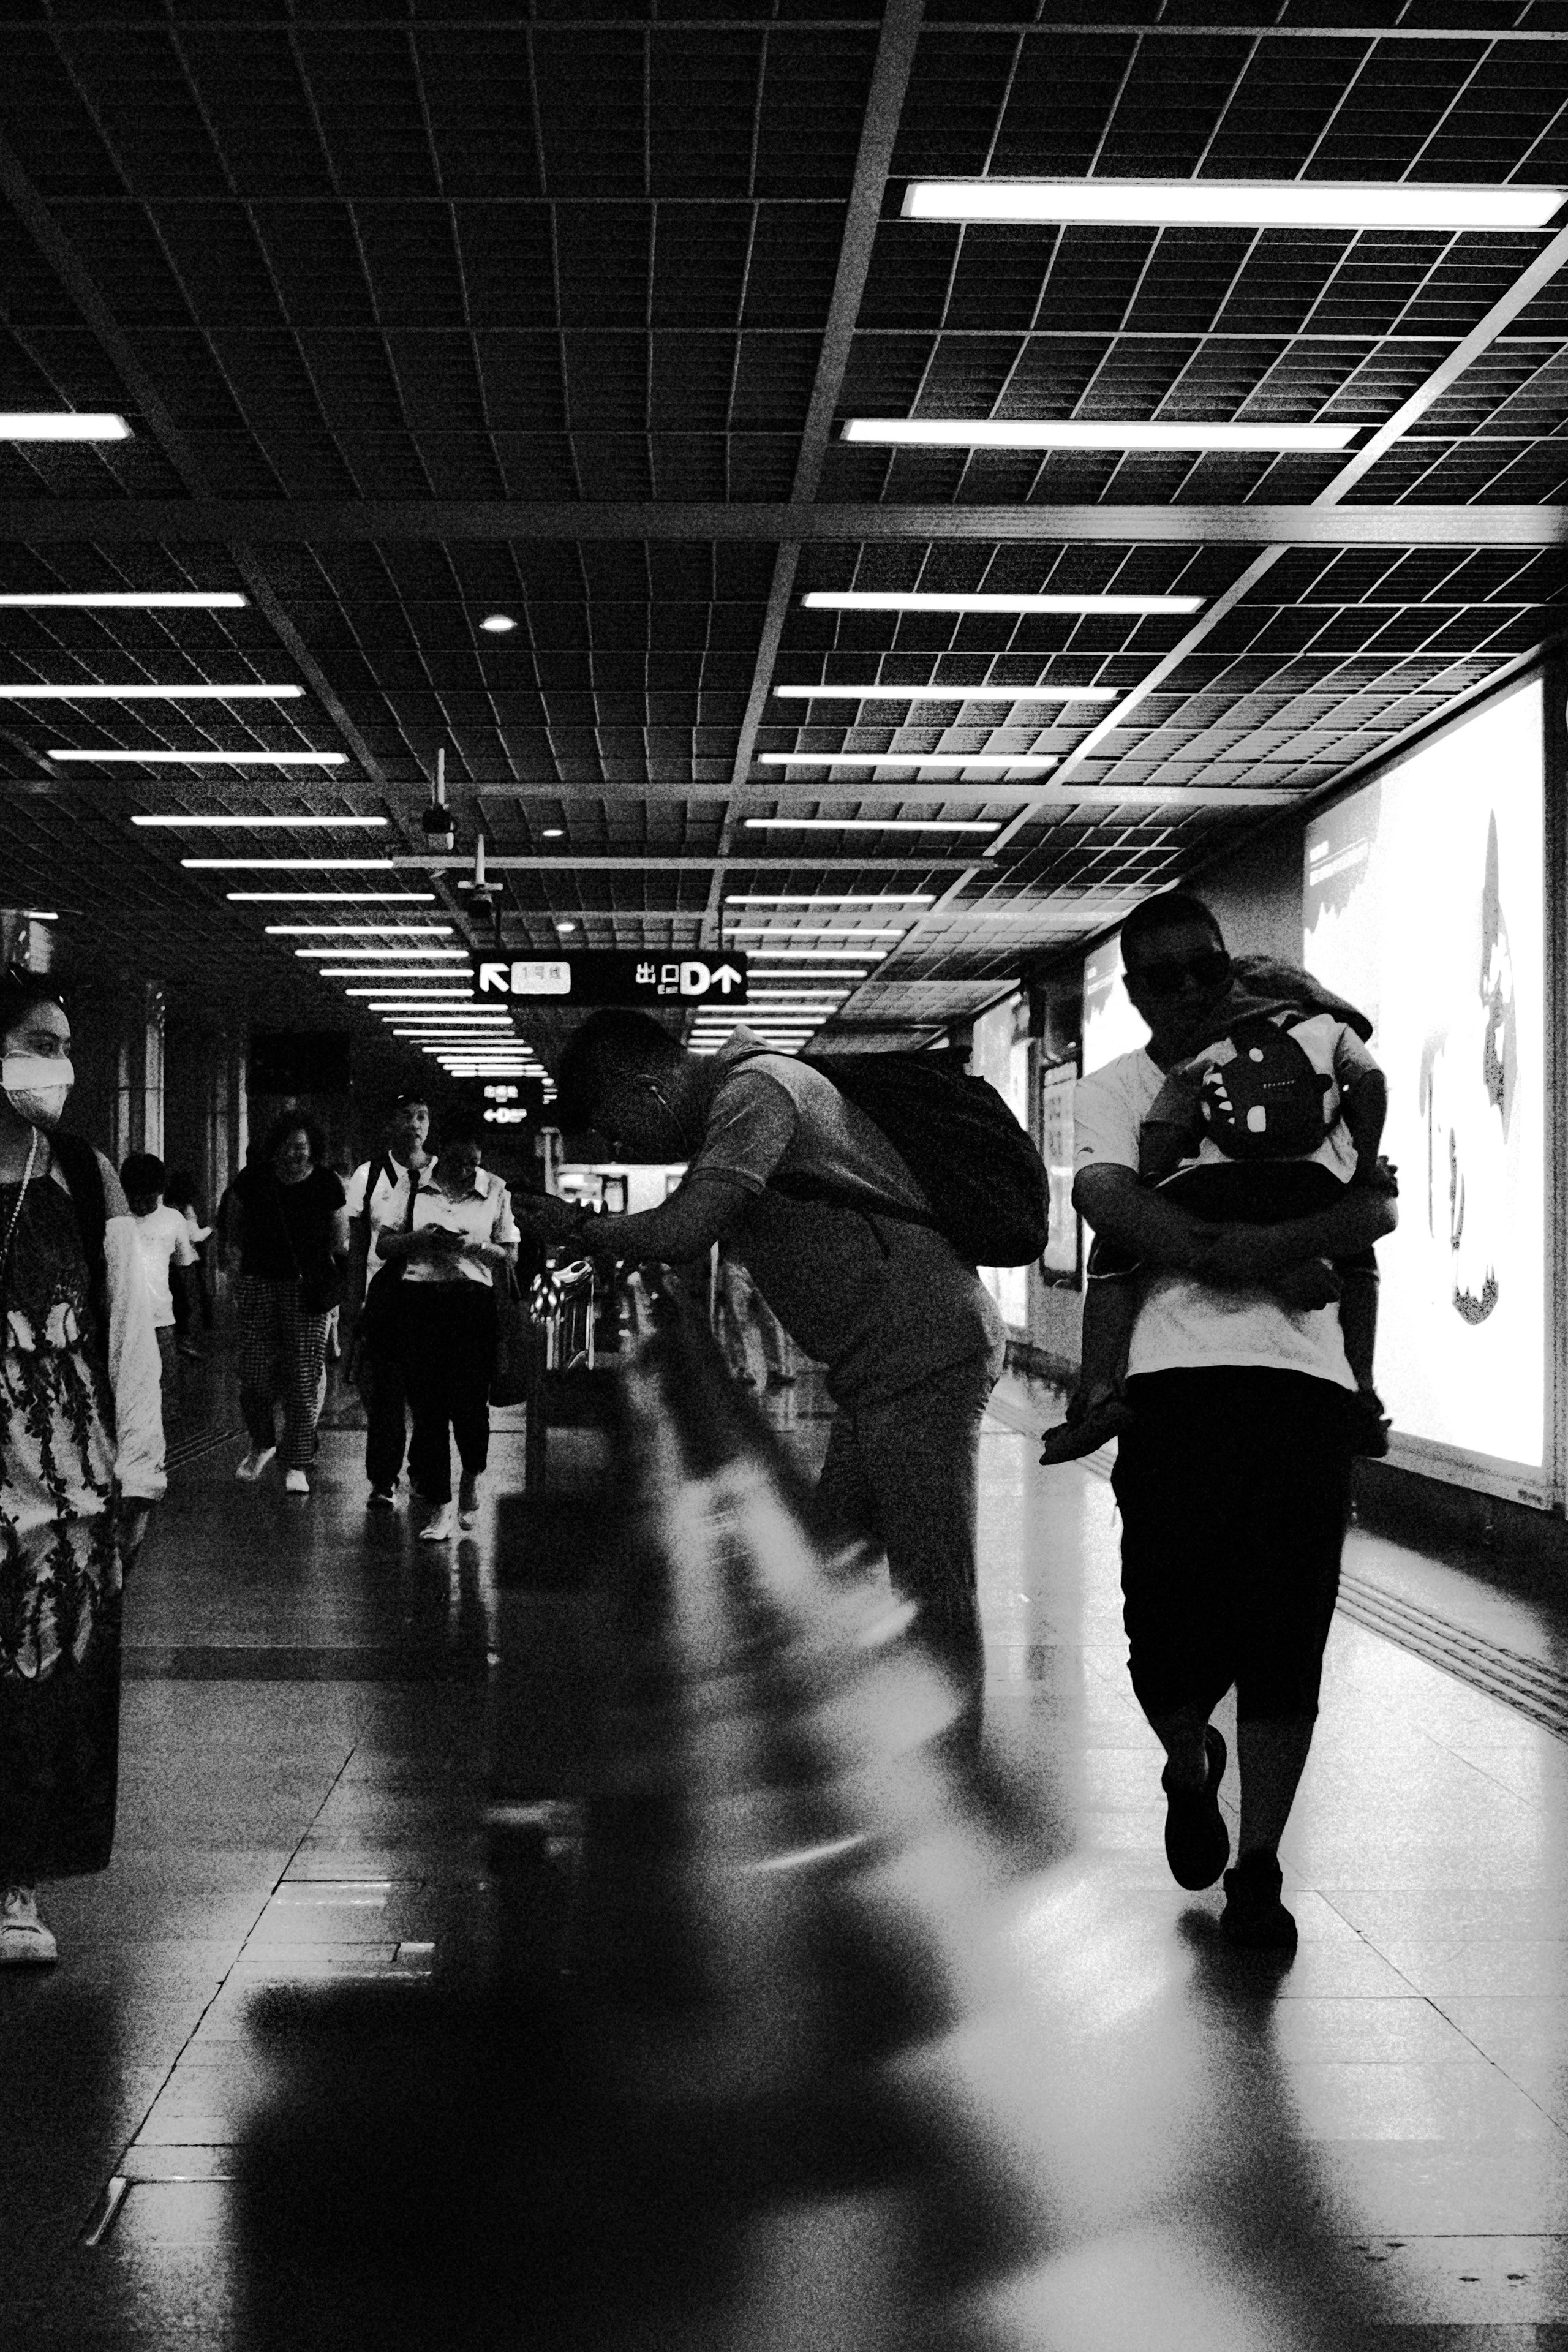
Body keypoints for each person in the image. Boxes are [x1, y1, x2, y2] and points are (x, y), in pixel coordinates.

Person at [1070, 892, 1398, 1954]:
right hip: (1172, 1389)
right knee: (1163, 1641)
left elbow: (1369, 1216)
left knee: (1285, 1638)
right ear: (1134, 991)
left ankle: (1259, 1869)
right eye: (1161, 978)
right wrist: (1268, 1256)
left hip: (1303, 1389)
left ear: (1230, 968)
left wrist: (1297, 1280)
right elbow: (1113, 1208)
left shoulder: (1313, 1072)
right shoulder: (1117, 1091)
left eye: (1204, 969)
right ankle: (1189, 1758)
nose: (1187, 992)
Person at [529, 1012, 1006, 1732]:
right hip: (883, 1365)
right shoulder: (745, 1095)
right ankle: (841, 1737)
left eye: (615, 1128)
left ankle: (956, 1769)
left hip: (920, 1353)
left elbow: (683, 1230)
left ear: (643, 1087)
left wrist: (574, 1226)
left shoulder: (758, 1090)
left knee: (930, 1580)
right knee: (829, 1558)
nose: (624, 1145)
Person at [1042, 953, 1391, 1462]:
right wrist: (1362, 1164)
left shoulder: (1219, 1043)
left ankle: (1096, 1394)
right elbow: (1372, 1090)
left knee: (1114, 1252)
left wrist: (1156, 1174)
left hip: (1221, 1190)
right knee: (1359, 1261)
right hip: (1314, 1189)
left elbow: (1157, 1140)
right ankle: (1364, 1391)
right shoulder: (1334, 1035)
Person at [0, 972, 165, 1967]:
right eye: (35, 1041)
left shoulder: (78, 1171)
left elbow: (129, 1328)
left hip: (61, 1480)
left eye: (62, 1045)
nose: (55, 1064)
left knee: (41, 1682)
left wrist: (140, 1470)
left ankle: (15, 1882)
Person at [377, 1125, 518, 1543]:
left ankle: (471, 1476)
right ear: (441, 1154)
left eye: (472, 1163)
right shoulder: (413, 1185)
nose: (465, 1171)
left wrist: (480, 1248)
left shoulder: (495, 1189)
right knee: (428, 1410)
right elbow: (384, 1245)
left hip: (472, 1305)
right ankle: (440, 1507)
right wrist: (420, 1239)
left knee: (471, 1406)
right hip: (420, 1302)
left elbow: (510, 1254)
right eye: (457, 1162)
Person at [230, 1113, 349, 1496]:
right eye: (288, 1146)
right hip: (259, 1281)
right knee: (253, 1372)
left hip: (307, 1288)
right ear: (275, 1147)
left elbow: (339, 1238)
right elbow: (234, 1228)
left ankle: (297, 1462)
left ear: (312, 1148)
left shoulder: (327, 1182)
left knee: (303, 1378)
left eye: (301, 1147)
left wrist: (336, 1288)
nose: (295, 1154)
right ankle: (262, 1441)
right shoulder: (254, 1179)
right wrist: (237, 1275)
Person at [342, 1093, 430, 1510]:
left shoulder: (438, 1173)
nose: (415, 1125)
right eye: (407, 1116)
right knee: (385, 1393)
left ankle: (423, 1471)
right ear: (391, 1124)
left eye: (422, 1117)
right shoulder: (369, 1175)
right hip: (382, 1297)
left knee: (428, 1393)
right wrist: (353, 1306)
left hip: (428, 1295)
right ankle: (383, 1478)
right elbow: (359, 1247)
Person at [121, 1152, 200, 1409]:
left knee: (167, 1391)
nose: (141, 1206)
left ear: (160, 1192)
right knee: (129, 1389)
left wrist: (189, 1318)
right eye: (135, 1199)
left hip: (161, 1318)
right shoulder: (117, 1221)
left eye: (149, 1199)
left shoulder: (173, 1220)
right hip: (125, 1318)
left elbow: (185, 1268)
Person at [162, 1170, 214, 1355]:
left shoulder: (166, 1206)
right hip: (187, 1259)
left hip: (168, 1259)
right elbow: (194, 1235)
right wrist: (210, 1229)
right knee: (190, 1300)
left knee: (175, 1299)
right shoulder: (186, 1208)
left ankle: (176, 1339)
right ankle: (187, 1340)